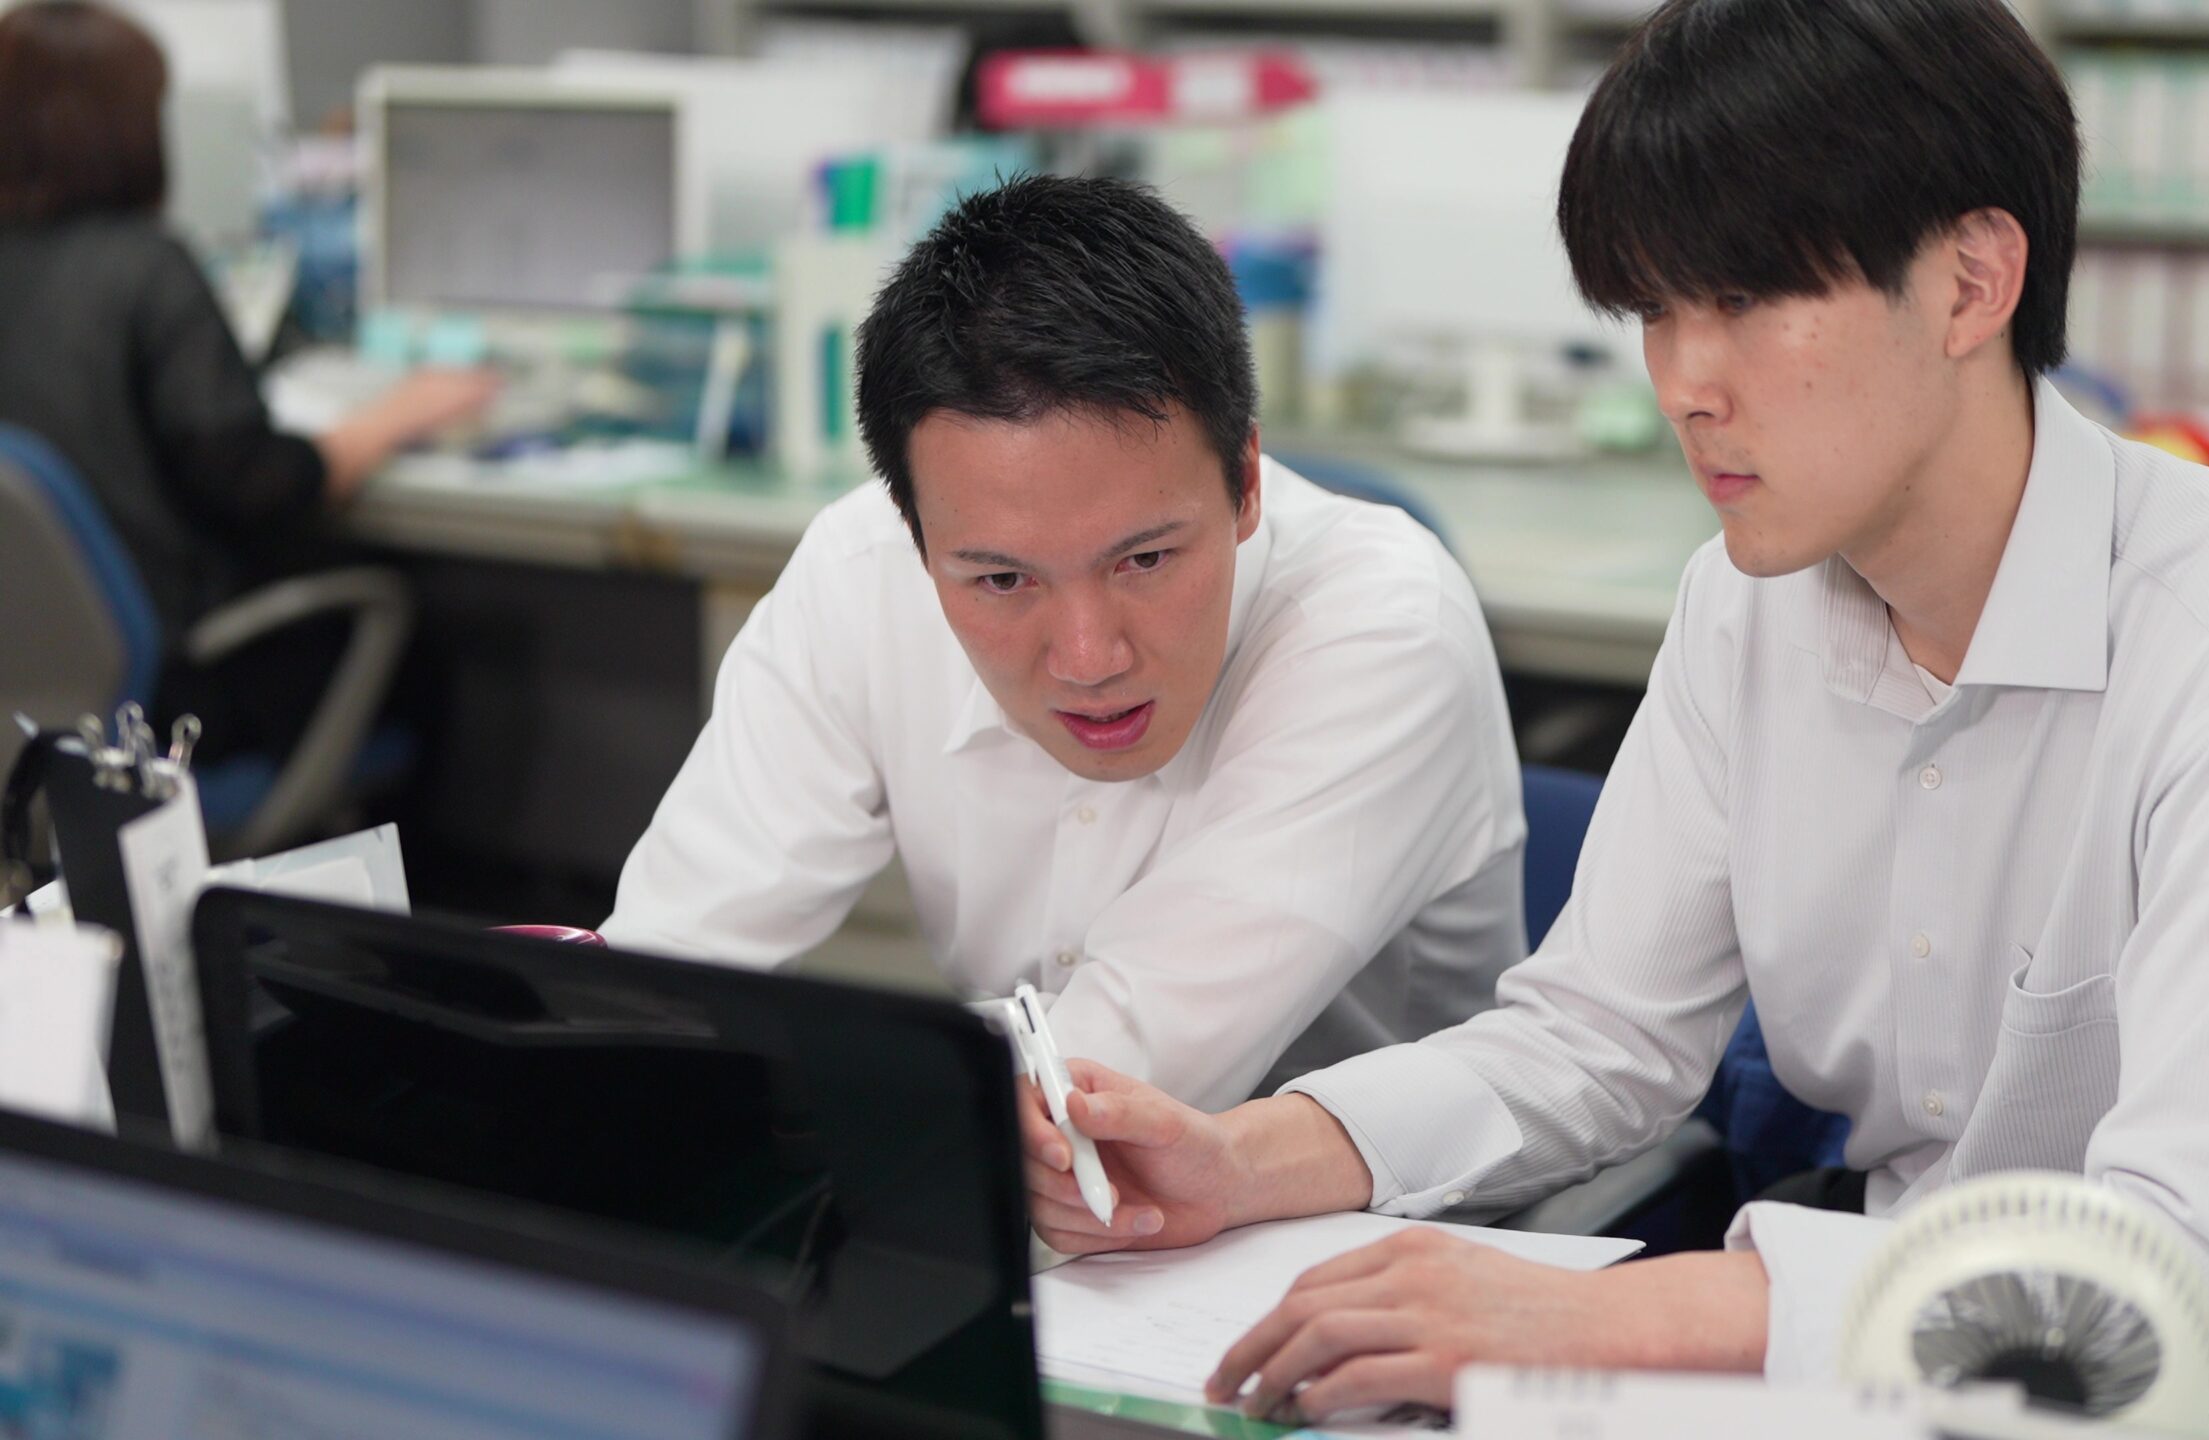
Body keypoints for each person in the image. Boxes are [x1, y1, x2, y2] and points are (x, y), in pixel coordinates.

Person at [1015, 0, 2209, 1419]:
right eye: (1656, 311)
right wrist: (1240, 1161)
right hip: (1865, 1379)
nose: (1683, 385)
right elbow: (1594, 1038)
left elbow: (2180, 1271)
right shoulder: (1745, 603)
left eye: (1748, 303)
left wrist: (1602, 1314)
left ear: (1971, 283)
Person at [602, 176, 1526, 1113]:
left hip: (1397, 1202)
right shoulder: (859, 569)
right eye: (1004, 580)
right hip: (1016, 1180)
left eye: (1145, 560)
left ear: (1245, 480)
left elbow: (1104, 1090)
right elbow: (660, 978)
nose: (1089, 659)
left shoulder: (1384, 627)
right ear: (912, 529)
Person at [0, 0, 495, 760]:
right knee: (423, 655)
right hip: (166, 705)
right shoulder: (146, 270)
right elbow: (255, 482)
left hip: (33, 703)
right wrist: (389, 420)